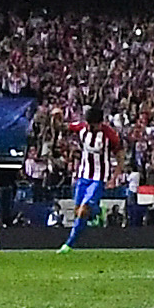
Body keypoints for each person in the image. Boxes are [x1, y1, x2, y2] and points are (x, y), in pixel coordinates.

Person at [59, 104, 124, 251]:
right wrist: (55, 118)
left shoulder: (110, 135)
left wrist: (114, 177)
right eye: (87, 124)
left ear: (100, 124)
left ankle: (69, 244)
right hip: (83, 175)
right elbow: (64, 127)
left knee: (83, 210)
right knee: (78, 211)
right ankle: (95, 211)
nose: (89, 127)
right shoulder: (82, 127)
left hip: (99, 178)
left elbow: (120, 156)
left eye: (92, 125)